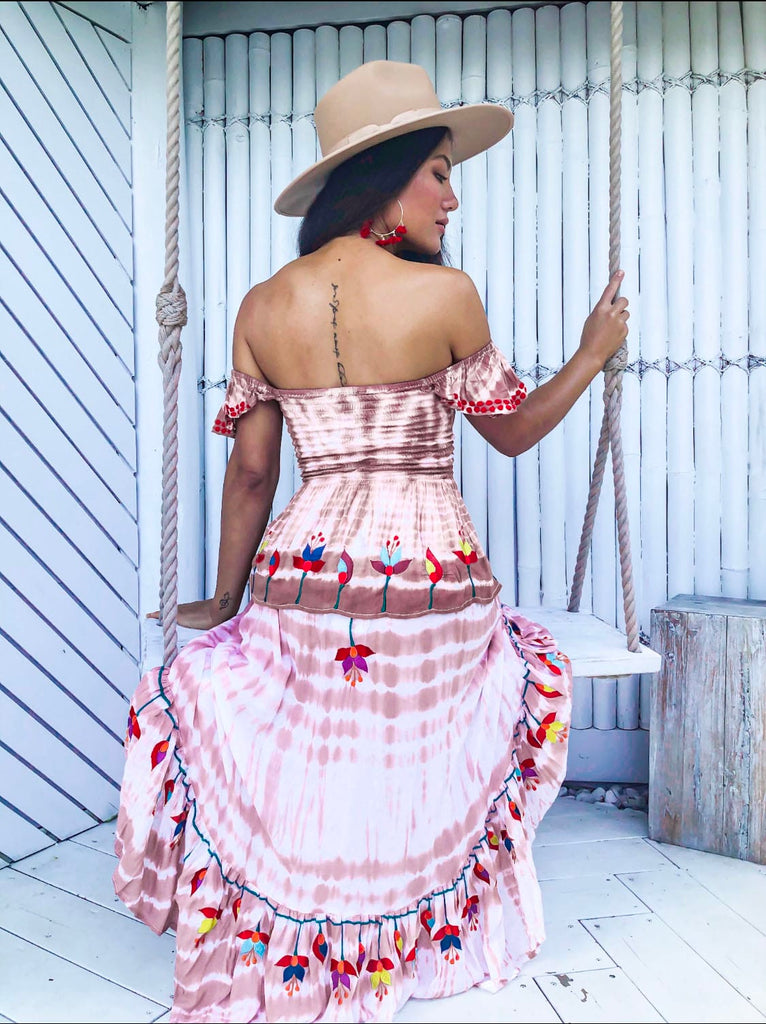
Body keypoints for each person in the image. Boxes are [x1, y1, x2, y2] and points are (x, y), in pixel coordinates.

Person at [115, 60, 629, 1023]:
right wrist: (591, 356)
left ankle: (305, 922)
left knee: (306, 734)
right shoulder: (446, 296)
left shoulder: (263, 306)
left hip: (300, 578)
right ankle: (396, 925)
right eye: (438, 172)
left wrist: (224, 600)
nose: (452, 196)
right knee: (440, 717)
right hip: (425, 578)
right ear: (386, 179)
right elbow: (514, 432)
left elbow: (253, 476)